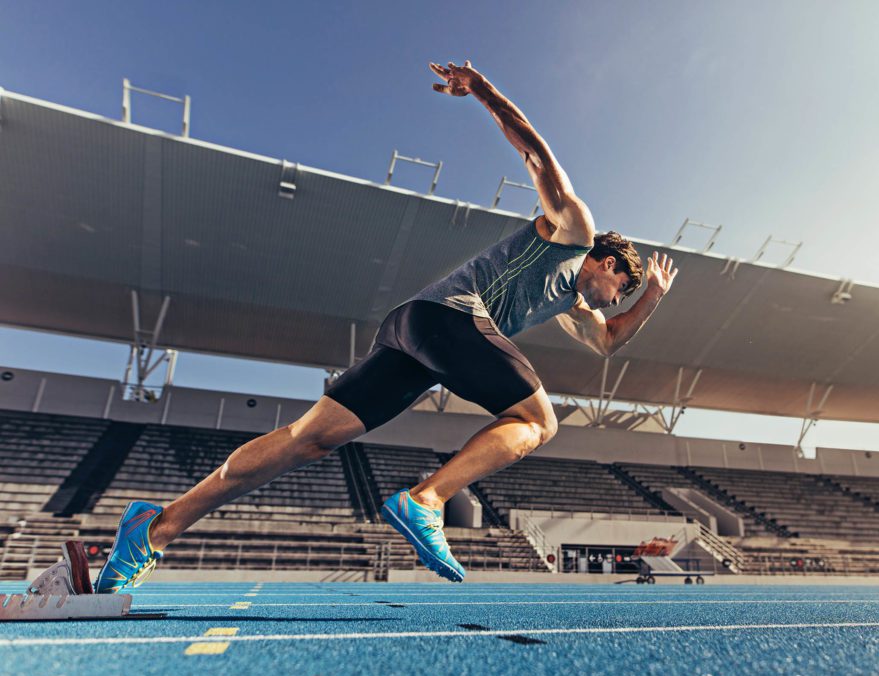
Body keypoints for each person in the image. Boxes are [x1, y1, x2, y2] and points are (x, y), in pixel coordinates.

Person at [94, 61, 677, 590]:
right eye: (623, 284)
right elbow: (537, 156)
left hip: (412, 337)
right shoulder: (573, 231)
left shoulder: (573, 304)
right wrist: (483, 91)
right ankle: (427, 500)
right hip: (447, 318)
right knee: (536, 420)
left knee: (307, 439)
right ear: (607, 261)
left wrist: (650, 295)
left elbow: (609, 340)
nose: (617, 297)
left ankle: (153, 530)